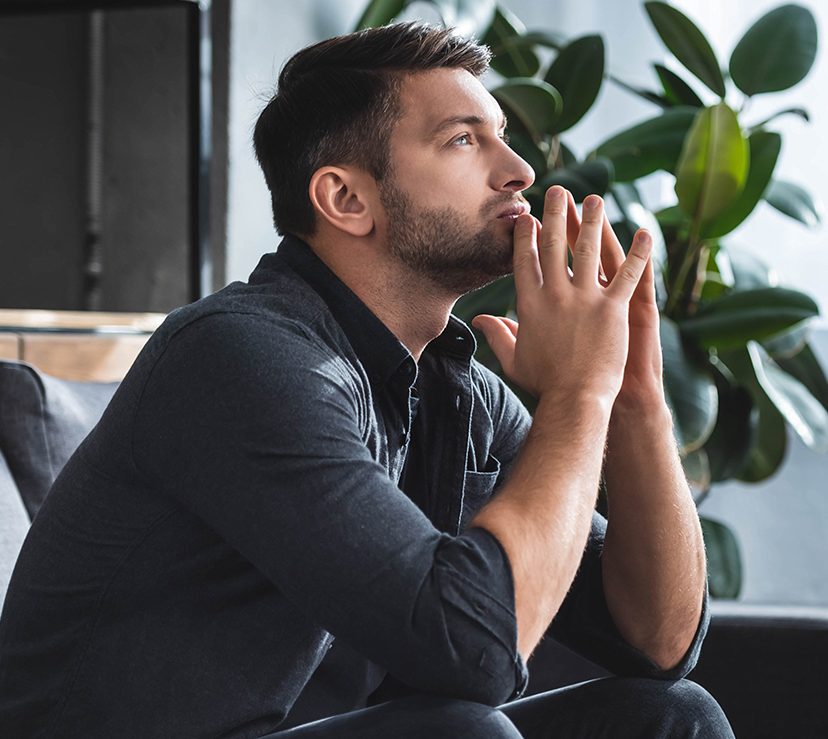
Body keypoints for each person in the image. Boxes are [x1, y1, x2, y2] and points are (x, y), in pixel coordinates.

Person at [0, 22, 734, 738]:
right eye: (463, 139)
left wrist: (632, 395)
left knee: (672, 715)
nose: (517, 168)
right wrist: (577, 395)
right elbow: (472, 651)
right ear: (347, 200)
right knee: (461, 730)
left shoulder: (457, 387)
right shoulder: (238, 356)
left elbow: (660, 641)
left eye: (502, 133)